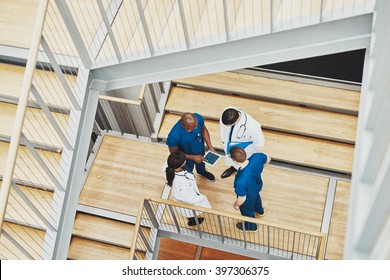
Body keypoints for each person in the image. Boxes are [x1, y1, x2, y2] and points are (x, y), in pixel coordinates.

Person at [164, 151, 212, 226]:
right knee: (190, 213)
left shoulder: (168, 168)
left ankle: (192, 220)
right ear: (182, 163)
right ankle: (192, 222)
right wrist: (200, 198)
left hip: (179, 196)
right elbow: (190, 199)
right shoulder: (183, 184)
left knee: (188, 212)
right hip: (186, 201)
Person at [230, 146, 271, 232]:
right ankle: (260, 211)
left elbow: (242, 198)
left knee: (247, 212)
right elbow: (268, 159)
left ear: (234, 160)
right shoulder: (257, 157)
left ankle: (251, 227)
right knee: (257, 199)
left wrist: (236, 205)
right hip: (256, 188)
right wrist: (262, 167)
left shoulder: (240, 181)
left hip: (247, 199)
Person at [166, 112, 216, 182]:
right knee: (188, 170)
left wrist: (210, 146)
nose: (196, 128)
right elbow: (175, 154)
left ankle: (202, 172)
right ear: (184, 126)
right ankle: (190, 178)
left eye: (196, 125)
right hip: (186, 157)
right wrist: (193, 157)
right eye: (193, 128)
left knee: (201, 164)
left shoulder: (198, 118)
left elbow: (203, 129)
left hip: (200, 150)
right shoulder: (174, 136)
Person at [219, 107, 265, 179]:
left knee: (242, 164)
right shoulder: (226, 111)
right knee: (232, 161)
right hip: (230, 145)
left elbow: (259, 145)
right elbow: (223, 128)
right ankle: (233, 168)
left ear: (236, 120)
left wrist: (243, 152)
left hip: (243, 149)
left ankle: (242, 174)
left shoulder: (253, 127)